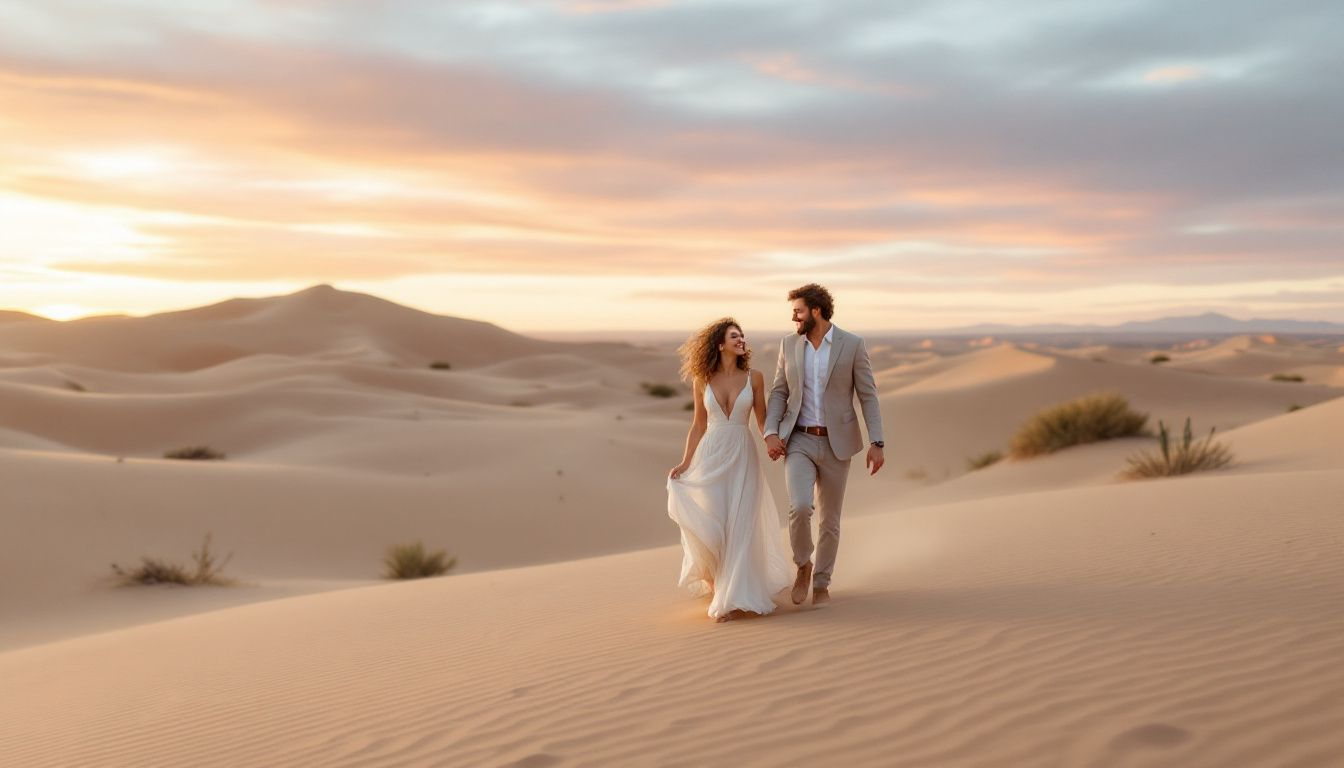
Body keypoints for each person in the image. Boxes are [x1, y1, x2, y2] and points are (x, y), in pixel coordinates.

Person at [763, 283, 884, 606]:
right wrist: (770, 431)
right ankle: (803, 564)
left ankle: (821, 584)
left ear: (816, 311)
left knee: (830, 520)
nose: (794, 318)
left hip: (836, 443)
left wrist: (877, 440)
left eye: (798, 311)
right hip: (799, 438)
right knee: (799, 507)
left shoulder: (852, 344)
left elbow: (868, 395)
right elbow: (779, 391)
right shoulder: (789, 345)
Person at [667, 318, 793, 622]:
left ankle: (733, 598)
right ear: (720, 344)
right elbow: (698, 425)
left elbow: (762, 421)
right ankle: (718, 585)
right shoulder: (702, 379)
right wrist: (685, 463)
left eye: (742, 336)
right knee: (716, 526)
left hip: (742, 454)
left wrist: (772, 441)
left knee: (741, 525)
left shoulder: (755, 378)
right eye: (734, 336)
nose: (741, 340)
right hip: (710, 456)